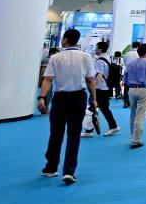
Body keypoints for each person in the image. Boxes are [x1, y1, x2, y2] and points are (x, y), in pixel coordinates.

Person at [38, 29, 98, 185]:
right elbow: (90, 80)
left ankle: (51, 167)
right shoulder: (86, 56)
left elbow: (48, 79)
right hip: (78, 98)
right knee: (74, 134)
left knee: (55, 134)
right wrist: (94, 99)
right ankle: (69, 172)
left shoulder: (55, 57)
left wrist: (42, 97)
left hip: (60, 98)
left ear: (65, 40)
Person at [124, 43, 146, 149]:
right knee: (140, 116)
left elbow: (125, 79)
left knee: (133, 114)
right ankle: (135, 140)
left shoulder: (130, 64)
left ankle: (132, 137)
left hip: (131, 89)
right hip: (143, 90)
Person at [88, 41, 119, 137]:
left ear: (100, 49)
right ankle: (90, 130)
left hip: (100, 88)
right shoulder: (107, 57)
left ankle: (90, 130)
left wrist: (94, 85)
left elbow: (99, 75)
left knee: (95, 108)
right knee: (99, 108)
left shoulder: (100, 61)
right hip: (105, 87)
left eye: (96, 47)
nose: (95, 49)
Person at [122, 41, 142, 107]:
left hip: (127, 72)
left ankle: (126, 102)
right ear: (139, 46)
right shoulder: (139, 54)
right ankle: (134, 102)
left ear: (132, 46)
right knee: (136, 88)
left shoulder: (127, 54)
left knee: (126, 88)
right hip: (136, 73)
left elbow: (125, 63)